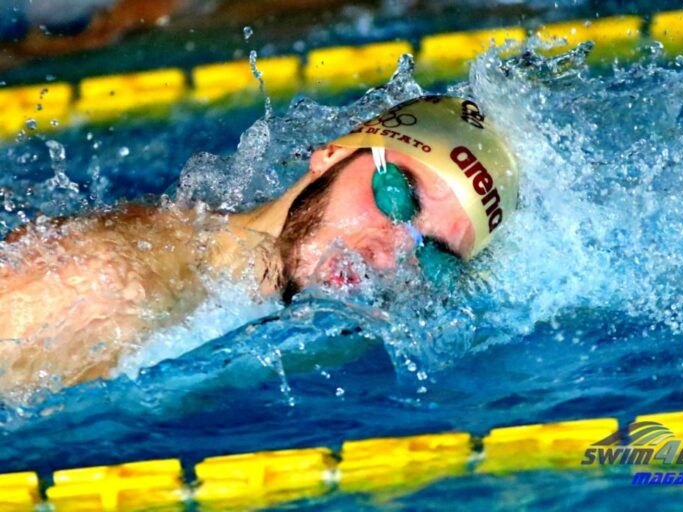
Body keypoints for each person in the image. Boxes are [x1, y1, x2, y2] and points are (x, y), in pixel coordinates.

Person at [0, 95, 519, 393]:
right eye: (396, 199)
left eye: (432, 254)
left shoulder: (324, 320)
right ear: (332, 156)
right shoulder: (112, 288)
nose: (390, 253)